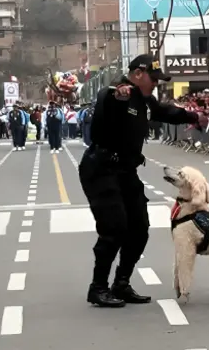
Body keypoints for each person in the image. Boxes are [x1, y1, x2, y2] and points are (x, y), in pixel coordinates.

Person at [79, 55, 201, 308]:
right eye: (153, 78)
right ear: (137, 74)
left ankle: (121, 283)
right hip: (101, 168)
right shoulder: (116, 94)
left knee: (139, 228)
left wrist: (192, 117)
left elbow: (164, 111)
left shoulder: (145, 101)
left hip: (126, 171)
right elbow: (107, 97)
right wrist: (119, 93)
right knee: (114, 228)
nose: (156, 83)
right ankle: (98, 287)